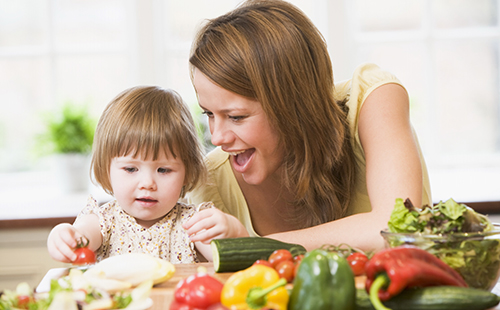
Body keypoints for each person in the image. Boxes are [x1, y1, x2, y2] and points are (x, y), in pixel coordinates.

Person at [184, 0, 432, 252]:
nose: (216, 138)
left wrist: (254, 247)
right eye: (208, 113)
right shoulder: (211, 183)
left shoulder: (373, 100)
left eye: (236, 117)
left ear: (292, 104)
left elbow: (398, 231)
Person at [47, 86, 248, 264]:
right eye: (131, 169)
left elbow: (231, 259)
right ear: (106, 169)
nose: (147, 183)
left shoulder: (191, 224)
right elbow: (80, 237)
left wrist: (234, 231)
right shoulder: (104, 222)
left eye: (164, 170)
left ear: (187, 173)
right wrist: (63, 236)